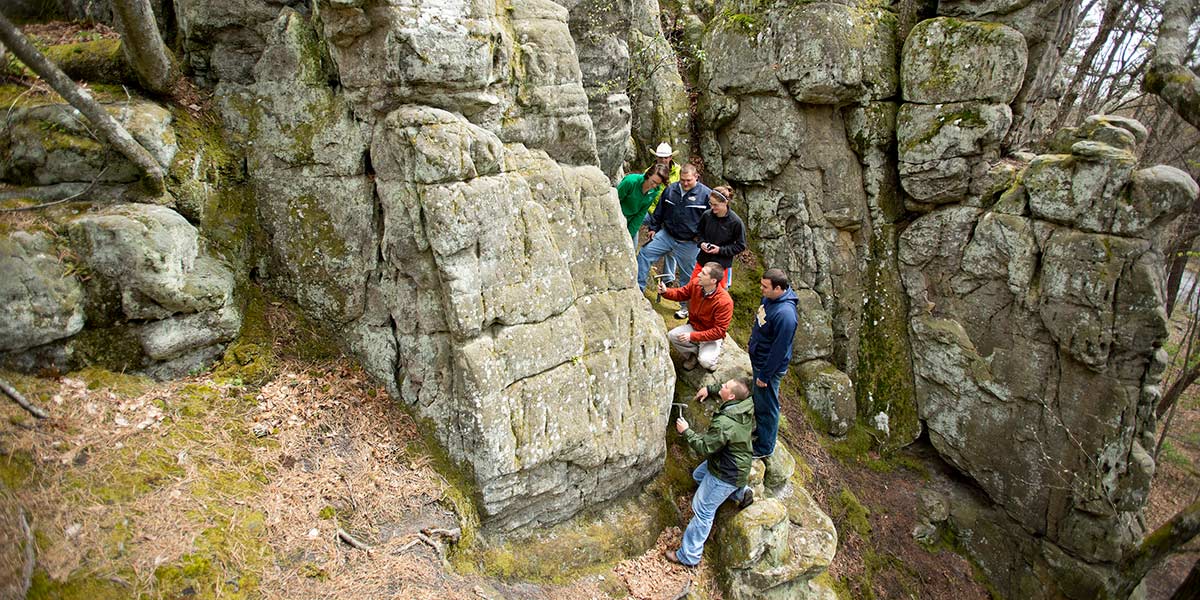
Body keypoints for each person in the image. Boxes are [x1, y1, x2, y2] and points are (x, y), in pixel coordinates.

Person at [664, 378, 756, 567]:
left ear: (731, 396)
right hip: (735, 462)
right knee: (698, 476)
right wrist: (710, 389)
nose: (721, 386)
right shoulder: (745, 404)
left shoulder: (725, 423)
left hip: (726, 472)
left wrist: (686, 431)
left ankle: (689, 556)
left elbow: (705, 447)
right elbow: (728, 389)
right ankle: (741, 492)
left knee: (703, 509)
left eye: (724, 387)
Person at [747, 269, 798, 458]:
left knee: (767, 407)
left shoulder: (786, 315)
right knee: (762, 401)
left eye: (765, 286)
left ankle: (764, 447)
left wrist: (765, 375)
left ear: (778, 288)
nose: (761, 289)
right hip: (759, 359)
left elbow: (779, 350)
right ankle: (761, 434)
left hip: (768, 367)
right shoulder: (770, 299)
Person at [636, 163, 712, 290]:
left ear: (696, 177)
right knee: (644, 254)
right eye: (682, 180)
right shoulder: (671, 190)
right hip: (667, 235)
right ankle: (639, 289)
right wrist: (653, 228)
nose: (685, 183)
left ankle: (684, 307)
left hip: (689, 242)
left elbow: (711, 221)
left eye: (689, 180)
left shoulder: (706, 195)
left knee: (689, 276)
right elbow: (659, 211)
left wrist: (701, 238)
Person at [674, 186, 746, 319]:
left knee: (718, 295)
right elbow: (698, 233)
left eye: (716, 205)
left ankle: (712, 321)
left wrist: (720, 250)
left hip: (721, 266)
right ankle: (688, 313)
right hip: (703, 260)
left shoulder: (736, 222)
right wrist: (701, 243)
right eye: (710, 204)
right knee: (694, 286)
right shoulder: (707, 215)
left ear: (725, 203)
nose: (712, 208)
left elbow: (740, 246)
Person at [658, 262, 733, 371]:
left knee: (706, 363)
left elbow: (719, 331)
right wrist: (665, 292)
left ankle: (713, 352)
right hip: (694, 326)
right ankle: (693, 354)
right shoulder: (696, 284)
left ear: (713, 281)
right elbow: (681, 293)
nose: (698, 275)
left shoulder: (724, 302)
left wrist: (692, 336)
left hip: (711, 335)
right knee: (672, 335)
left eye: (703, 273)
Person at [617, 164, 668, 242]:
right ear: (648, 175)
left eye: (658, 184)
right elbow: (615, 200)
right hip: (618, 216)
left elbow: (641, 213)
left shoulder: (654, 191)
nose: (654, 185)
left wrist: (630, 233)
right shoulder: (630, 181)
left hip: (632, 221)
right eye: (653, 182)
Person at [648, 141, 681, 213]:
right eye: (660, 158)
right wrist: (654, 212)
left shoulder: (679, 172)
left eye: (665, 158)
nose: (663, 160)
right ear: (656, 157)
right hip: (652, 211)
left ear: (670, 158)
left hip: (674, 210)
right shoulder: (648, 173)